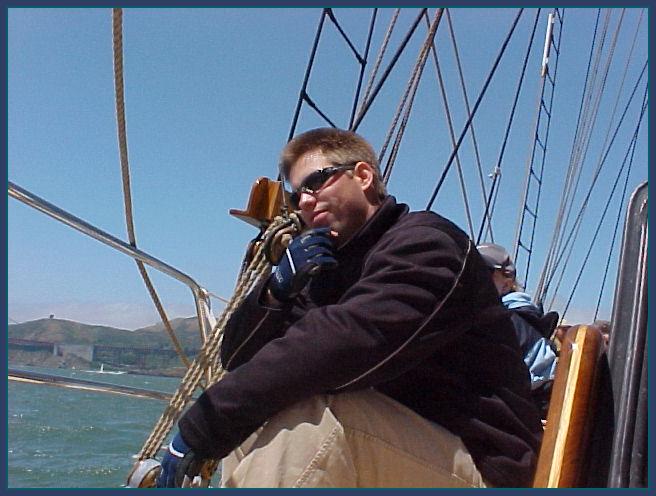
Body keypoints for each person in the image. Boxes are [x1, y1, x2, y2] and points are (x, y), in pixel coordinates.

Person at [156, 128, 543, 488]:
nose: (305, 201)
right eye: (296, 196)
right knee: (262, 420)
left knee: (311, 417)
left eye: (315, 182)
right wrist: (276, 293)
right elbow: (238, 359)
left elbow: (343, 344)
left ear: (363, 176)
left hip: (484, 464)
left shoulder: (427, 244)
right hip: (397, 448)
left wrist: (204, 424)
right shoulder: (328, 269)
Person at [476, 243, 558, 417]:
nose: (473, 276)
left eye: (483, 271)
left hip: (530, 407)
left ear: (507, 283)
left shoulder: (506, 322)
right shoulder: (519, 319)